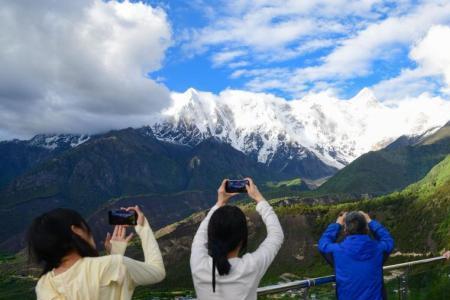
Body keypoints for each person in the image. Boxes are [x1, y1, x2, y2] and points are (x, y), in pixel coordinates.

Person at [27, 205, 165, 300]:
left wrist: (115, 254)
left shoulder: (44, 285)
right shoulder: (113, 265)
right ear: (76, 230)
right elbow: (158, 272)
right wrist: (143, 227)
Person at [190, 178, 284, 300]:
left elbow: (200, 235)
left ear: (211, 235)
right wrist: (259, 199)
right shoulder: (251, 266)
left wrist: (219, 203)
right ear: (242, 239)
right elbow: (276, 235)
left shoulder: (198, 264)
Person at [318, 211, 394, 300]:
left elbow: (323, 244)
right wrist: (370, 221)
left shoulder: (337, 251)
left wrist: (337, 224)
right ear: (367, 228)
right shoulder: (378, 249)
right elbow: (388, 240)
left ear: (345, 229)